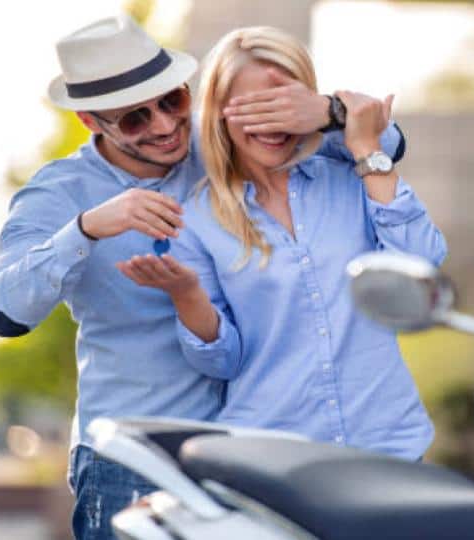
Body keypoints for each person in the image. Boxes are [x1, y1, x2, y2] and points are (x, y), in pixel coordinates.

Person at [0, 14, 407, 540]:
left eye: (172, 101)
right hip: (136, 454)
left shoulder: (222, 148)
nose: (162, 125)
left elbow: (384, 142)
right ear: (92, 122)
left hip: (250, 447)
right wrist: (87, 228)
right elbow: (1, 310)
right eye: (134, 118)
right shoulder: (60, 193)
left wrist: (329, 109)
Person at [117, 26, 446, 461]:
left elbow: (421, 271)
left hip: (388, 446)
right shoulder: (195, 217)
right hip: (274, 458)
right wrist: (187, 295)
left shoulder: (354, 179)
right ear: (217, 113)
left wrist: (365, 144)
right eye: (253, 109)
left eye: (284, 107)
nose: (272, 125)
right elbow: (222, 363)